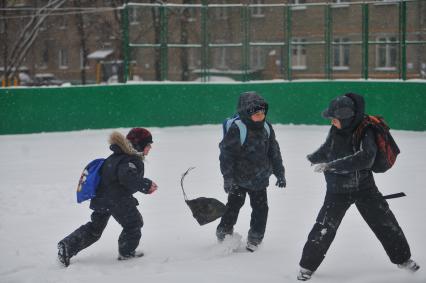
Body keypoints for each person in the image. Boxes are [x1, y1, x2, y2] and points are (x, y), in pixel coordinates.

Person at [297, 93, 419, 281]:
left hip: (364, 188)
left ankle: (403, 259)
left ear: (346, 118)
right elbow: (328, 148)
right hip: (337, 190)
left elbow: (365, 158)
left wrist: (331, 165)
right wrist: (313, 157)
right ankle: (306, 267)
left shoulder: (365, 130)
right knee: (324, 227)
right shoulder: (337, 129)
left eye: (335, 119)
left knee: (385, 223)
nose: (332, 122)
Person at [57, 128, 158, 267]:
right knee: (133, 224)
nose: (150, 148)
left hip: (102, 199)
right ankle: (126, 253)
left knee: (95, 229)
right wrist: (145, 185)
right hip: (118, 200)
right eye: (148, 145)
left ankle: (67, 246)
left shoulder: (116, 156)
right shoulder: (130, 160)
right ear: (139, 146)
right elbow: (127, 177)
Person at [216, 91, 286, 252]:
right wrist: (228, 178)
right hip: (239, 180)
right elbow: (226, 156)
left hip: (260, 180)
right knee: (233, 207)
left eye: (262, 113)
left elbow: (274, 151)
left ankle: (255, 238)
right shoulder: (237, 129)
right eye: (256, 113)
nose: (260, 116)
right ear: (246, 113)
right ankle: (224, 233)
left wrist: (279, 172)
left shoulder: (267, 128)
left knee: (261, 210)